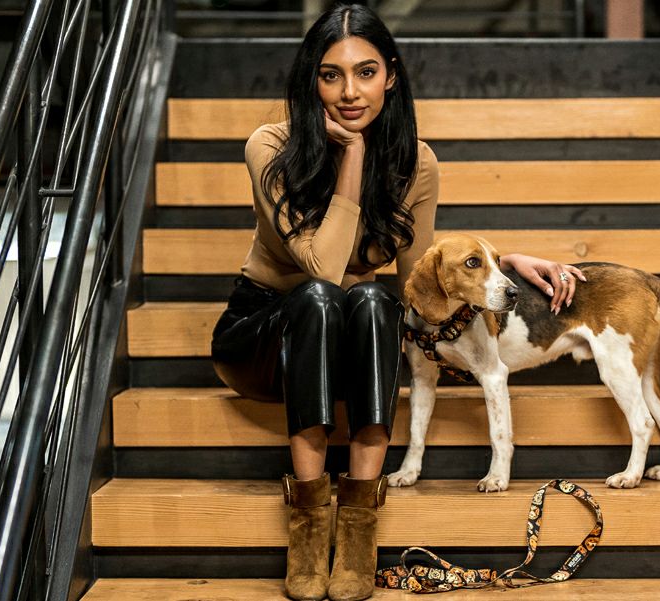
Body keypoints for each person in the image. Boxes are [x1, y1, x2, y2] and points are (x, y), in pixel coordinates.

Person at [208, 4, 584, 600]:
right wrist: (353, 157)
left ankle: (359, 521)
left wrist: (497, 267)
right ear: (311, 80)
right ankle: (308, 523)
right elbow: (324, 268)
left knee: (376, 301)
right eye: (331, 75)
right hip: (264, 338)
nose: (349, 92)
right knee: (319, 296)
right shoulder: (271, 146)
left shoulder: (416, 163)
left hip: (345, 340)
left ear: (391, 76)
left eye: (365, 72)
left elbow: (422, 293)